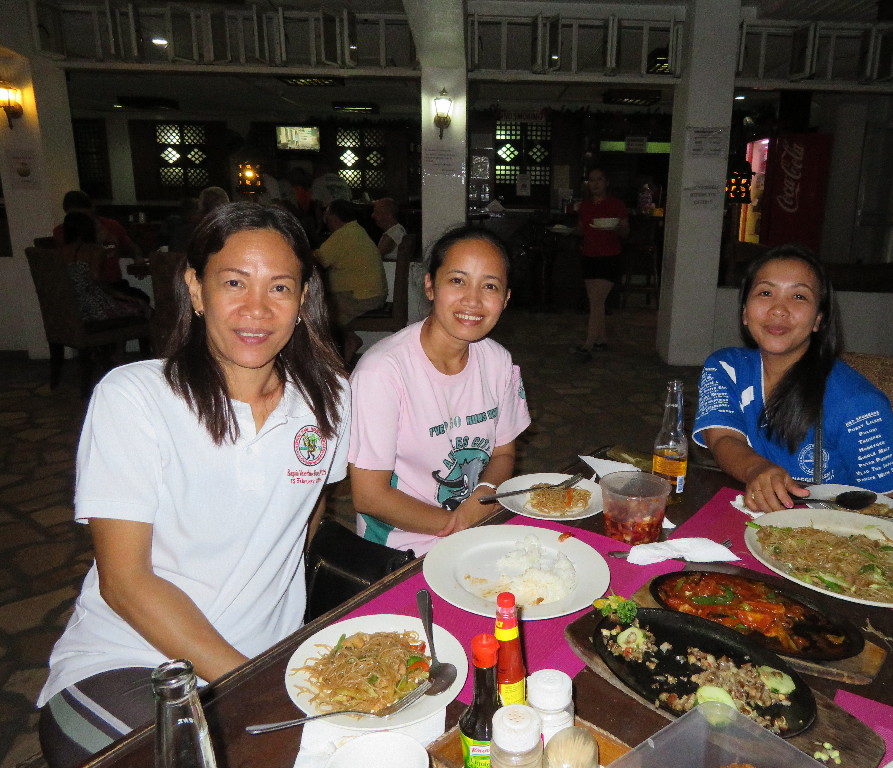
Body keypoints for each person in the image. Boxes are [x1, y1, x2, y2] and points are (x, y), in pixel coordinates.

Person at [36, 202, 350, 768]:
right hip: (131, 663)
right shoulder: (137, 397)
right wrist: (254, 684)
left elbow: (308, 511)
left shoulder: (330, 397)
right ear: (196, 289)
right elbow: (125, 583)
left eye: (280, 287)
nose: (257, 308)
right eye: (234, 282)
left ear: (304, 299)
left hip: (261, 661)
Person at [347, 226, 531, 556]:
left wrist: (485, 492)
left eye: (490, 286)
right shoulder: (382, 373)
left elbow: (503, 453)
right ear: (430, 285)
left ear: (505, 299)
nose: (473, 300)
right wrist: (459, 525)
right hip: (400, 550)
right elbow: (369, 497)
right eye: (458, 280)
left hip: (474, 529)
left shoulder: (498, 362)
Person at [693, 244, 893, 514]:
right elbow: (722, 438)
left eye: (799, 296)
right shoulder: (726, 367)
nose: (779, 309)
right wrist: (757, 469)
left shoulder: (859, 404)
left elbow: (887, 507)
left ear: (818, 319)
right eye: (766, 292)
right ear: (745, 312)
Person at [573, 167, 629, 356]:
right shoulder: (585, 206)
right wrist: (571, 230)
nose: (595, 183)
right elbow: (581, 229)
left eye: (599, 179)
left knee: (596, 301)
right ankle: (601, 339)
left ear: (606, 182)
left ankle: (588, 343)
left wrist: (616, 228)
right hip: (589, 256)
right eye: (592, 180)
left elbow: (626, 232)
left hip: (609, 257)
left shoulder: (617, 205)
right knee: (596, 301)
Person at [59, 211, 149, 324]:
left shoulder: (61, 252)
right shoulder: (94, 250)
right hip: (93, 307)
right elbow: (96, 279)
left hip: (71, 306)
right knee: (143, 309)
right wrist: (120, 295)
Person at [315, 199, 388, 327]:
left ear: (333, 217)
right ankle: (346, 338)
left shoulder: (343, 235)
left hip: (360, 299)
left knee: (316, 313)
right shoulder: (356, 230)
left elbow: (318, 260)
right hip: (371, 296)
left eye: (326, 215)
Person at [53, 190, 144, 287]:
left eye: (83, 216)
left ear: (92, 209)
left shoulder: (111, 225)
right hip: (83, 287)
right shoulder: (62, 231)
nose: (79, 220)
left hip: (113, 283)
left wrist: (139, 259)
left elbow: (132, 247)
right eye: (73, 217)